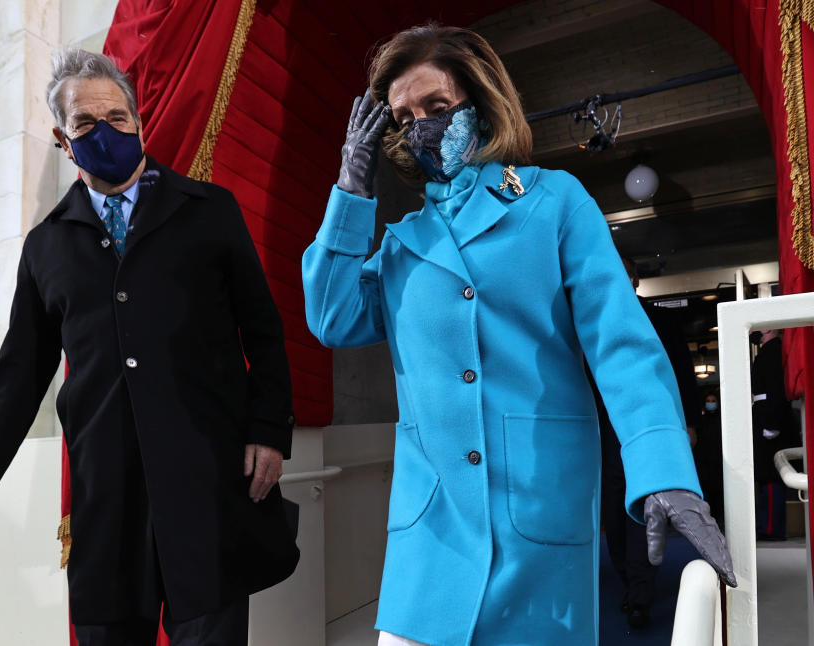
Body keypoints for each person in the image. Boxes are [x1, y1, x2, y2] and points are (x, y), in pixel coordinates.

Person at [302, 24, 734, 646]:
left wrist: (664, 466)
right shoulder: (401, 243)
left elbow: (621, 344)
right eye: (403, 116)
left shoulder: (555, 202)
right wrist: (350, 190)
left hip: (539, 515)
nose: (420, 124)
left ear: (478, 105)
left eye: (437, 107)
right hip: (432, 534)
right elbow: (331, 318)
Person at [0, 48, 299, 646]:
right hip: (106, 493)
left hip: (205, 478)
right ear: (64, 141)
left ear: (138, 122)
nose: (105, 132)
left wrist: (268, 430)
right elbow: (18, 377)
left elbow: (265, 331)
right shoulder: (46, 247)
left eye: (117, 117)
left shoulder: (208, 211)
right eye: (86, 124)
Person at [597, 257, 702, 629]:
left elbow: (682, 373)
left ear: (635, 279)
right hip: (606, 430)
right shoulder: (594, 320)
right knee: (613, 505)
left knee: (641, 503)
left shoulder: (662, 319)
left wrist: (688, 422)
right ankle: (628, 579)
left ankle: (639, 593)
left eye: (623, 274)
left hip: (651, 425)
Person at [752, 329, 801, 541]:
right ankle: (769, 524)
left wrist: (771, 424)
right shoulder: (769, 351)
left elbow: (775, 389)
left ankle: (772, 527)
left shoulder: (772, 352)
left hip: (771, 420)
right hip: (767, 416)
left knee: (771, 476)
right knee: (767, 476)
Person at [695, 390, 724, 530]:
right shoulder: (701, 423)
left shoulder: (722, 422)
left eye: (714, 401)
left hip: (719, 464)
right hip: (705, 465)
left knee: (720, 495)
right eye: (709, 401)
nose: (711, 404)